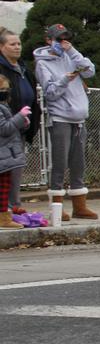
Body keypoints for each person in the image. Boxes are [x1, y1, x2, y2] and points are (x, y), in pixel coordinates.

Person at [33, 24, 98, 220]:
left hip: (79, 118)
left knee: (79, 163)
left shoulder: (71, 55)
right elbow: (50, 92)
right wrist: (64, 80)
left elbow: (89, 71)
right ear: (48, 40)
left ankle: (80, 206)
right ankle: (57, 208)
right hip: (60, 117)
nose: (63, 43)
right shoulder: (42, 63)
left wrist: (73, 52)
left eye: (66, 39)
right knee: (60, 163)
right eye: (59, 39)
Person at [0, 27, 40, 214]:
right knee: (6, 171)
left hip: (21, 127)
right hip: (6, 128)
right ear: (1, 47)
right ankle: (6, 210)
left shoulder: (24, 69)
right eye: (12, 44)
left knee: (16, 169)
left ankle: (13, 207)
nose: (17, 47)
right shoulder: (2, 69)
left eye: (19, 43)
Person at [0, 74, 30, 229]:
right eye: (2, 89)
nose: (5, 92)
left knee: (6, 185)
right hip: (3, 154)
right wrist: (20, 116)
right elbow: (4, 129)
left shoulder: (4, 106)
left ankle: (5, 214)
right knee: (3, 187)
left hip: (7, 154)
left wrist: (23, 122)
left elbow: (11, 127)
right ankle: (3, 217)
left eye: (6, 89)